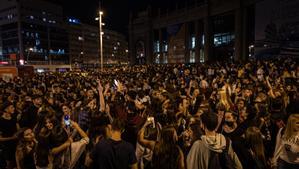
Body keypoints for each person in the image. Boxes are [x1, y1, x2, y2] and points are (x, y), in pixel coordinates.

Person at [0, 102, 18, 169]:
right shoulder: (1, 121)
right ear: (6, 109)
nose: (14, 109)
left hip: (16, 144)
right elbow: (0, 138)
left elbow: (17, 129)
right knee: (9, 164)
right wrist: (12, 138)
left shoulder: (13, 117)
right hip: (6, 146)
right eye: (12, 107)